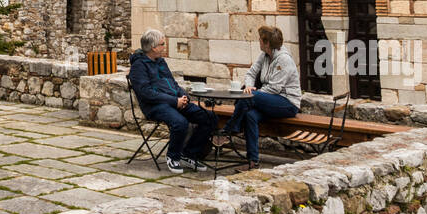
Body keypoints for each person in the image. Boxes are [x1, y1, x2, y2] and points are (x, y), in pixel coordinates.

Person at [127, 28, 215, 174]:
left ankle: (188, 154)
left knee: (209, 117)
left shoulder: (160, 62)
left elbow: (172, 83)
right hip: (154, 106)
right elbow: (146, 93)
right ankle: (173, 156)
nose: (164, 46)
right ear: (153, 47)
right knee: (180, 123)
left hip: (174, 101)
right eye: (162, 44)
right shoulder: (139, 66)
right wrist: (175, 101)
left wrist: (183, 96)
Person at [219, 25, 301, 169]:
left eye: (260, 39)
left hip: (287, 103)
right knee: (250, 115)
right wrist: (249, 87)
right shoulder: (264, 55)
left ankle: (229, 130)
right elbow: (251, 73)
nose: (258, 41)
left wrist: (253, 94)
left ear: (267, 43)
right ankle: (253, 161)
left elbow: (275, 88)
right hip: (268, 99)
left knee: (249, 97)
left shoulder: (284, 60)